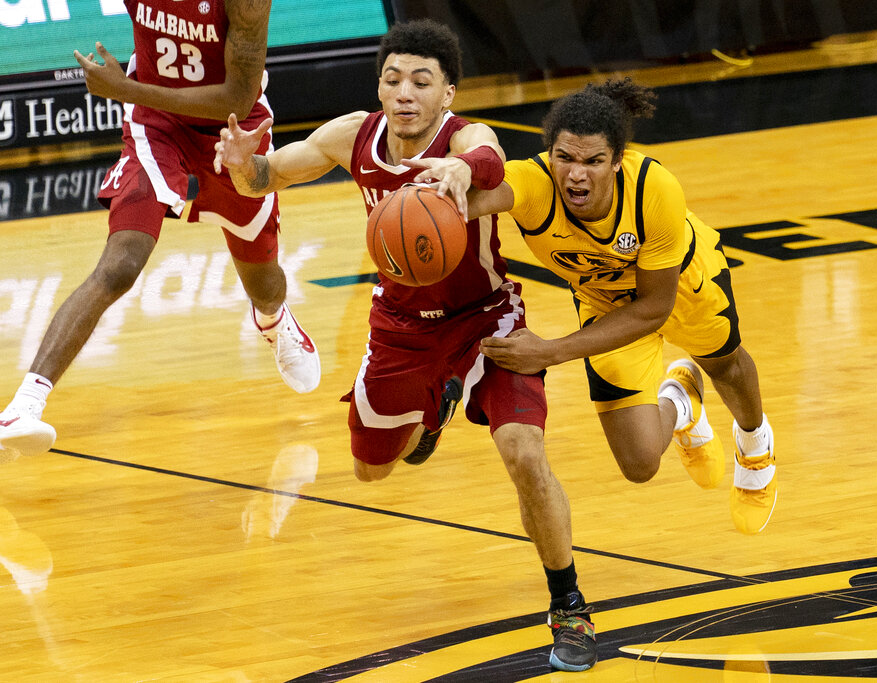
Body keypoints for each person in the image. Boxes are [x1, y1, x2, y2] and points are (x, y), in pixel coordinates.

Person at [214, 19, 598, 673]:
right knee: (371, 467)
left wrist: (461, 168)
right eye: (393, 78)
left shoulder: (464, 139)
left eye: (422, 81)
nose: (405, 92)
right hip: (400, 326)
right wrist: (241, 162)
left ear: (448, 93)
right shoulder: (352, 137)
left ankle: (569, 606)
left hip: (487, 321)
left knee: (523, 452)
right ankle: (431, 414)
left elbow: (492, 157)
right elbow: (263, 177)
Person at [0, 0, 321, 460]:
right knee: (121, 264)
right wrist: (131, 92)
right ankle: (24, 405)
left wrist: (127, 89)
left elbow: (236, 97)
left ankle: (273, 321)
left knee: (266, 286)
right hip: (156, 124)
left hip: (233, 128)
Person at [467, 78, 777, 535]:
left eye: (593, 162)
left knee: (726, 366)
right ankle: (682, 400)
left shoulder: (654, 188)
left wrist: (550, 351)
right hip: (604, 300)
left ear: (616, 162)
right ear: (548, 153)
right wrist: (441, 186)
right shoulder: (531, 183)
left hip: (681, 284)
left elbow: (655, 307)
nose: (576, 174)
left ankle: (755, 444)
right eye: (565, 158)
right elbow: (464, 203)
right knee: (638, 464)